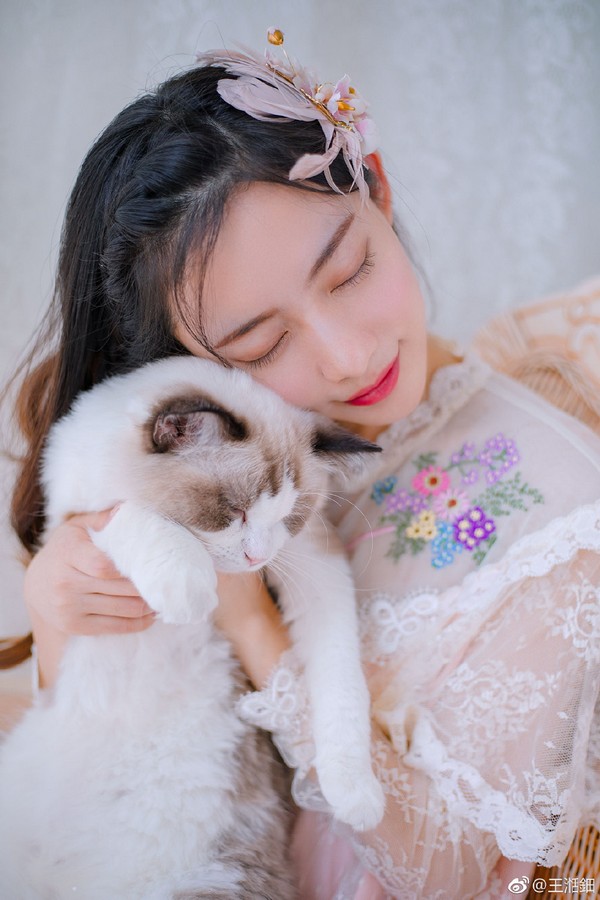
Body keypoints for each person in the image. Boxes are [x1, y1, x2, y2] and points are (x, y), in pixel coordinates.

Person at [5, 29, 600, 899]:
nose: (348, 358)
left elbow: (455, 873)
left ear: (379, 190)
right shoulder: (204, 454)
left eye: (349, 269)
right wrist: (61, 611)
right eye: (262, 342)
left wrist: (254, 624)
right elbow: (106, 781)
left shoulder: (561, 517)